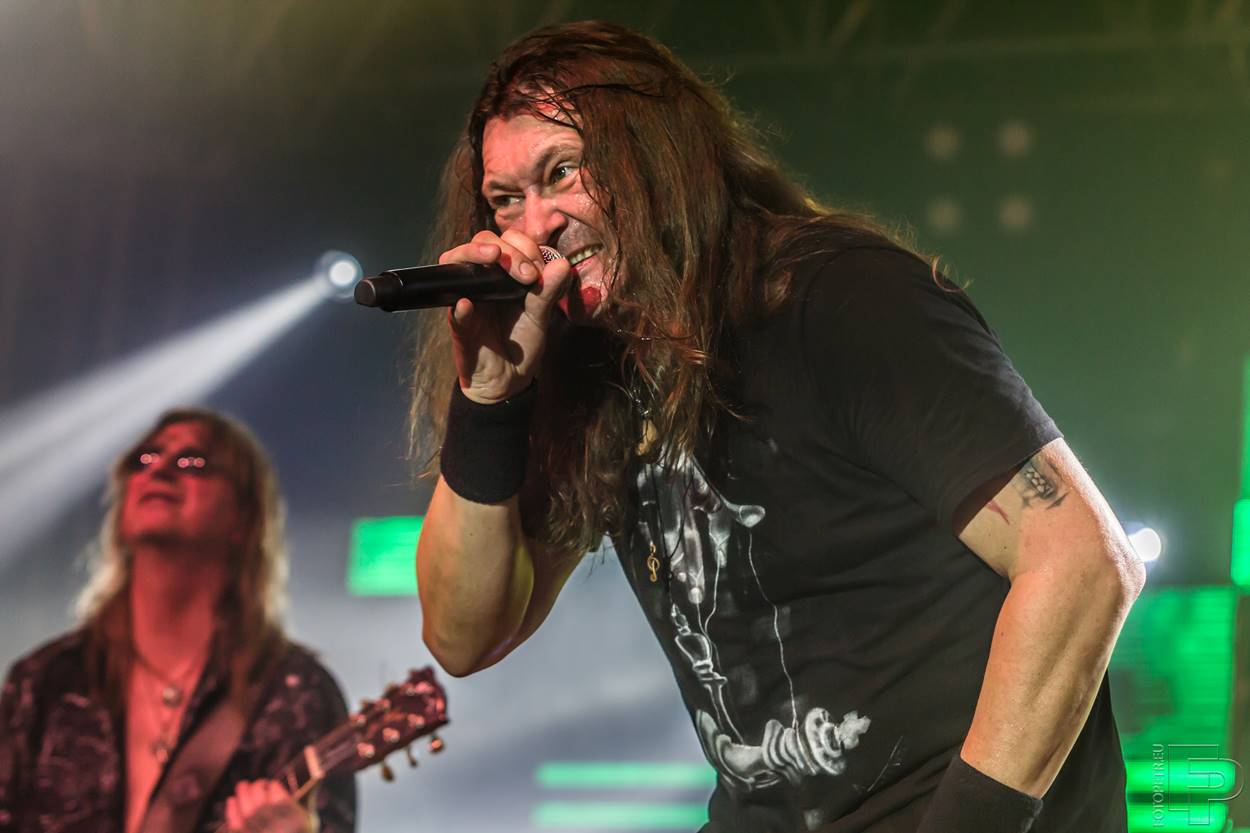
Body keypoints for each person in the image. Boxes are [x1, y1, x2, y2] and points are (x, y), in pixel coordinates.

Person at [411, 19, 1145, 833]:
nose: (536, 224)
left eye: (562, 173)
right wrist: (487, 397)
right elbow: (463, 634)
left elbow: (1083, 564)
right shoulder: (601, 376)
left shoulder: (839, 302)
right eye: (506, 200)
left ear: (652, 156)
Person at [0, 408, 356, 833]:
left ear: (243, 518)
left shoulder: (295, 695)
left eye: (193, 462)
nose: (161, 469)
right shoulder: (44, 682)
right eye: (144, 459)